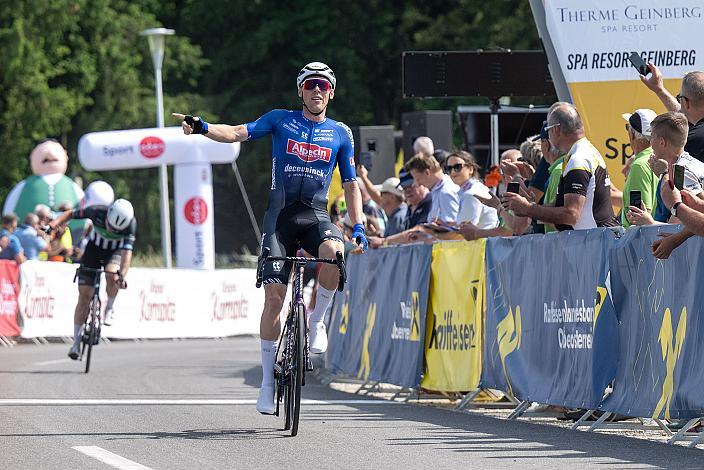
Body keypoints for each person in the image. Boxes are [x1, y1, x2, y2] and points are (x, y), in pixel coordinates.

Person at [173, 61, 367, 415]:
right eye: (310, 85)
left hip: (315, 215)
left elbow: (352, 184)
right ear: (301, 91)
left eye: (323, 86)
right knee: (274, 298)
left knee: (335, 253)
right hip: (279, 219)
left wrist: (358, 224)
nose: (317, 90)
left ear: (332, 93)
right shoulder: (280, 119)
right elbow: (235, 132)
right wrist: (201, 127)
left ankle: (318, 319)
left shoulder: (340, 132)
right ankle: (266, 383)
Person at [502, 102, 619, 231]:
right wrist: (529, 206)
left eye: (548, 130)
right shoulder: (584, 152)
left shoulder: (578, 159)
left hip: (594, 243)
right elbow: (560, 207)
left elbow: (571, 214)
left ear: (556, 129)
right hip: (595, 240)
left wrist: (528, 208)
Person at [48, 199, 135, 359]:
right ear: (108, 215)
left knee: (112, 274)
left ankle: (109, 307)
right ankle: (75, 343)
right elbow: (70, 214)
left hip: (113, 252)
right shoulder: (97, 211)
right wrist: (53, 224)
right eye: (110, 226)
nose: (112, 230)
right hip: (93, 250)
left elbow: (127, 253)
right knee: (84, 297)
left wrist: (122, 275)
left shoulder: (130, 225)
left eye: (116, 230)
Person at [640, 112, 704, 259]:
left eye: (652, 138)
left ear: (662, 142)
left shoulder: (682, 172)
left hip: (692, 258)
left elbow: (682, 222)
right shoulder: (689, 165)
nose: (650, 144)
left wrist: (648, 222)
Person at [640, 64, 704, 161]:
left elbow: (683, 176)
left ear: (685, 102)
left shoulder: (693, 142)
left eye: (679, 98)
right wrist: (659, 89)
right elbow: (684, 114)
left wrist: (661, 173)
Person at [619, 109, 659, 228]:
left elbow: (638, 216)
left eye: (628, 127)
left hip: (641, 243)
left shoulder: (639, 166)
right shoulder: (660, 157)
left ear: (631, 134)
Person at [445, 151, 498, 229]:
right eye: (449, 168)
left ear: (470, 169)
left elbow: (464, 229)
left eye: (458, 167)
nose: (452, 172)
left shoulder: (471, 193)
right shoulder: (469, 189)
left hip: (482, 240)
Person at [405, 153, 460, 223]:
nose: (416, 184)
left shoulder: (445, 192)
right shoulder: (438, 191)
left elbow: (453, 227)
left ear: (427, 173)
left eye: (418, 179)